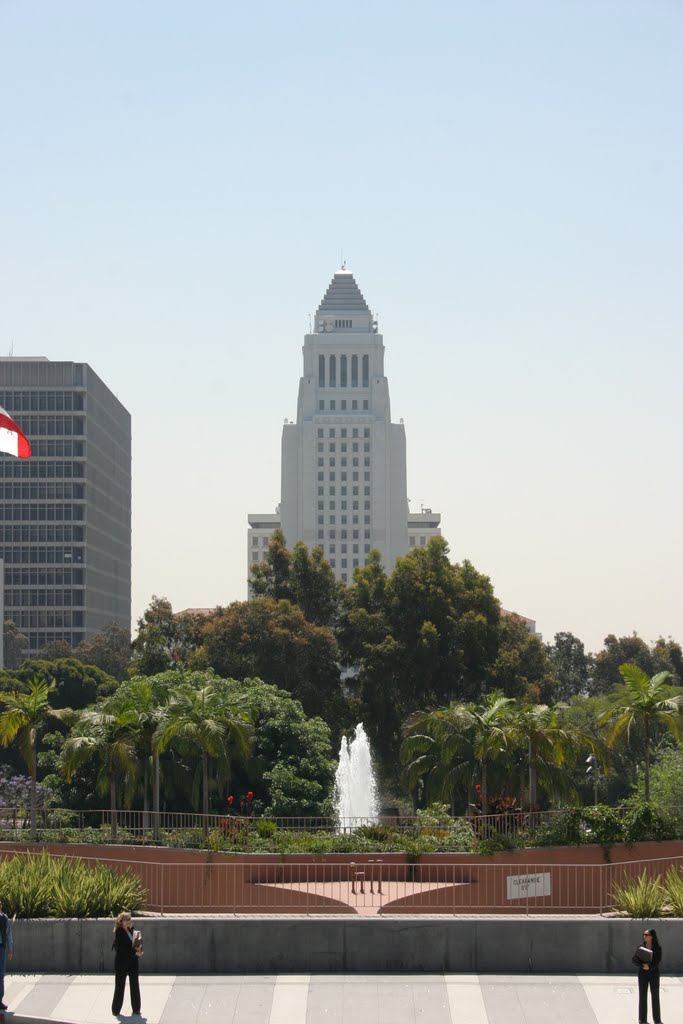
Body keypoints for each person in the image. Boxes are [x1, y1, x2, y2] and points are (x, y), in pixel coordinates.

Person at [111, 910, 142, 1017]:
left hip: (133, 962)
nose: (129, 921)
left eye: (130, 919)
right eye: (127, 919)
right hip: (122, 963)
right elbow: (123, 949)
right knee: (120, 986)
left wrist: (140, 950)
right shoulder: (119, 933)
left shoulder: (133, 931)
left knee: (135, 985)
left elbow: (137, 944)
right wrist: (135, 953)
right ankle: (115, 1010)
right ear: (121, 921)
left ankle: (136, 1009)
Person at [633, 927, 662, 1024]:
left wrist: (649, 967)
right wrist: (642, 965)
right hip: (643, 974)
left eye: (647, 935)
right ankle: (642, 1020)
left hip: (653, 973)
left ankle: (657, 1020)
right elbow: (634, 959)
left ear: (652, 936)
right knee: (642, 996)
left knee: (655, 996)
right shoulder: (641, 946)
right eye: (644, 934)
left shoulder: (657, 948)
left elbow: (657, 961)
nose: (644, 936)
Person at [0, 898, 13, 1012]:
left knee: (0, 976)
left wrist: (10, 949)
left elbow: (9, 934)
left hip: (1, 949)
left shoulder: (4, 918)